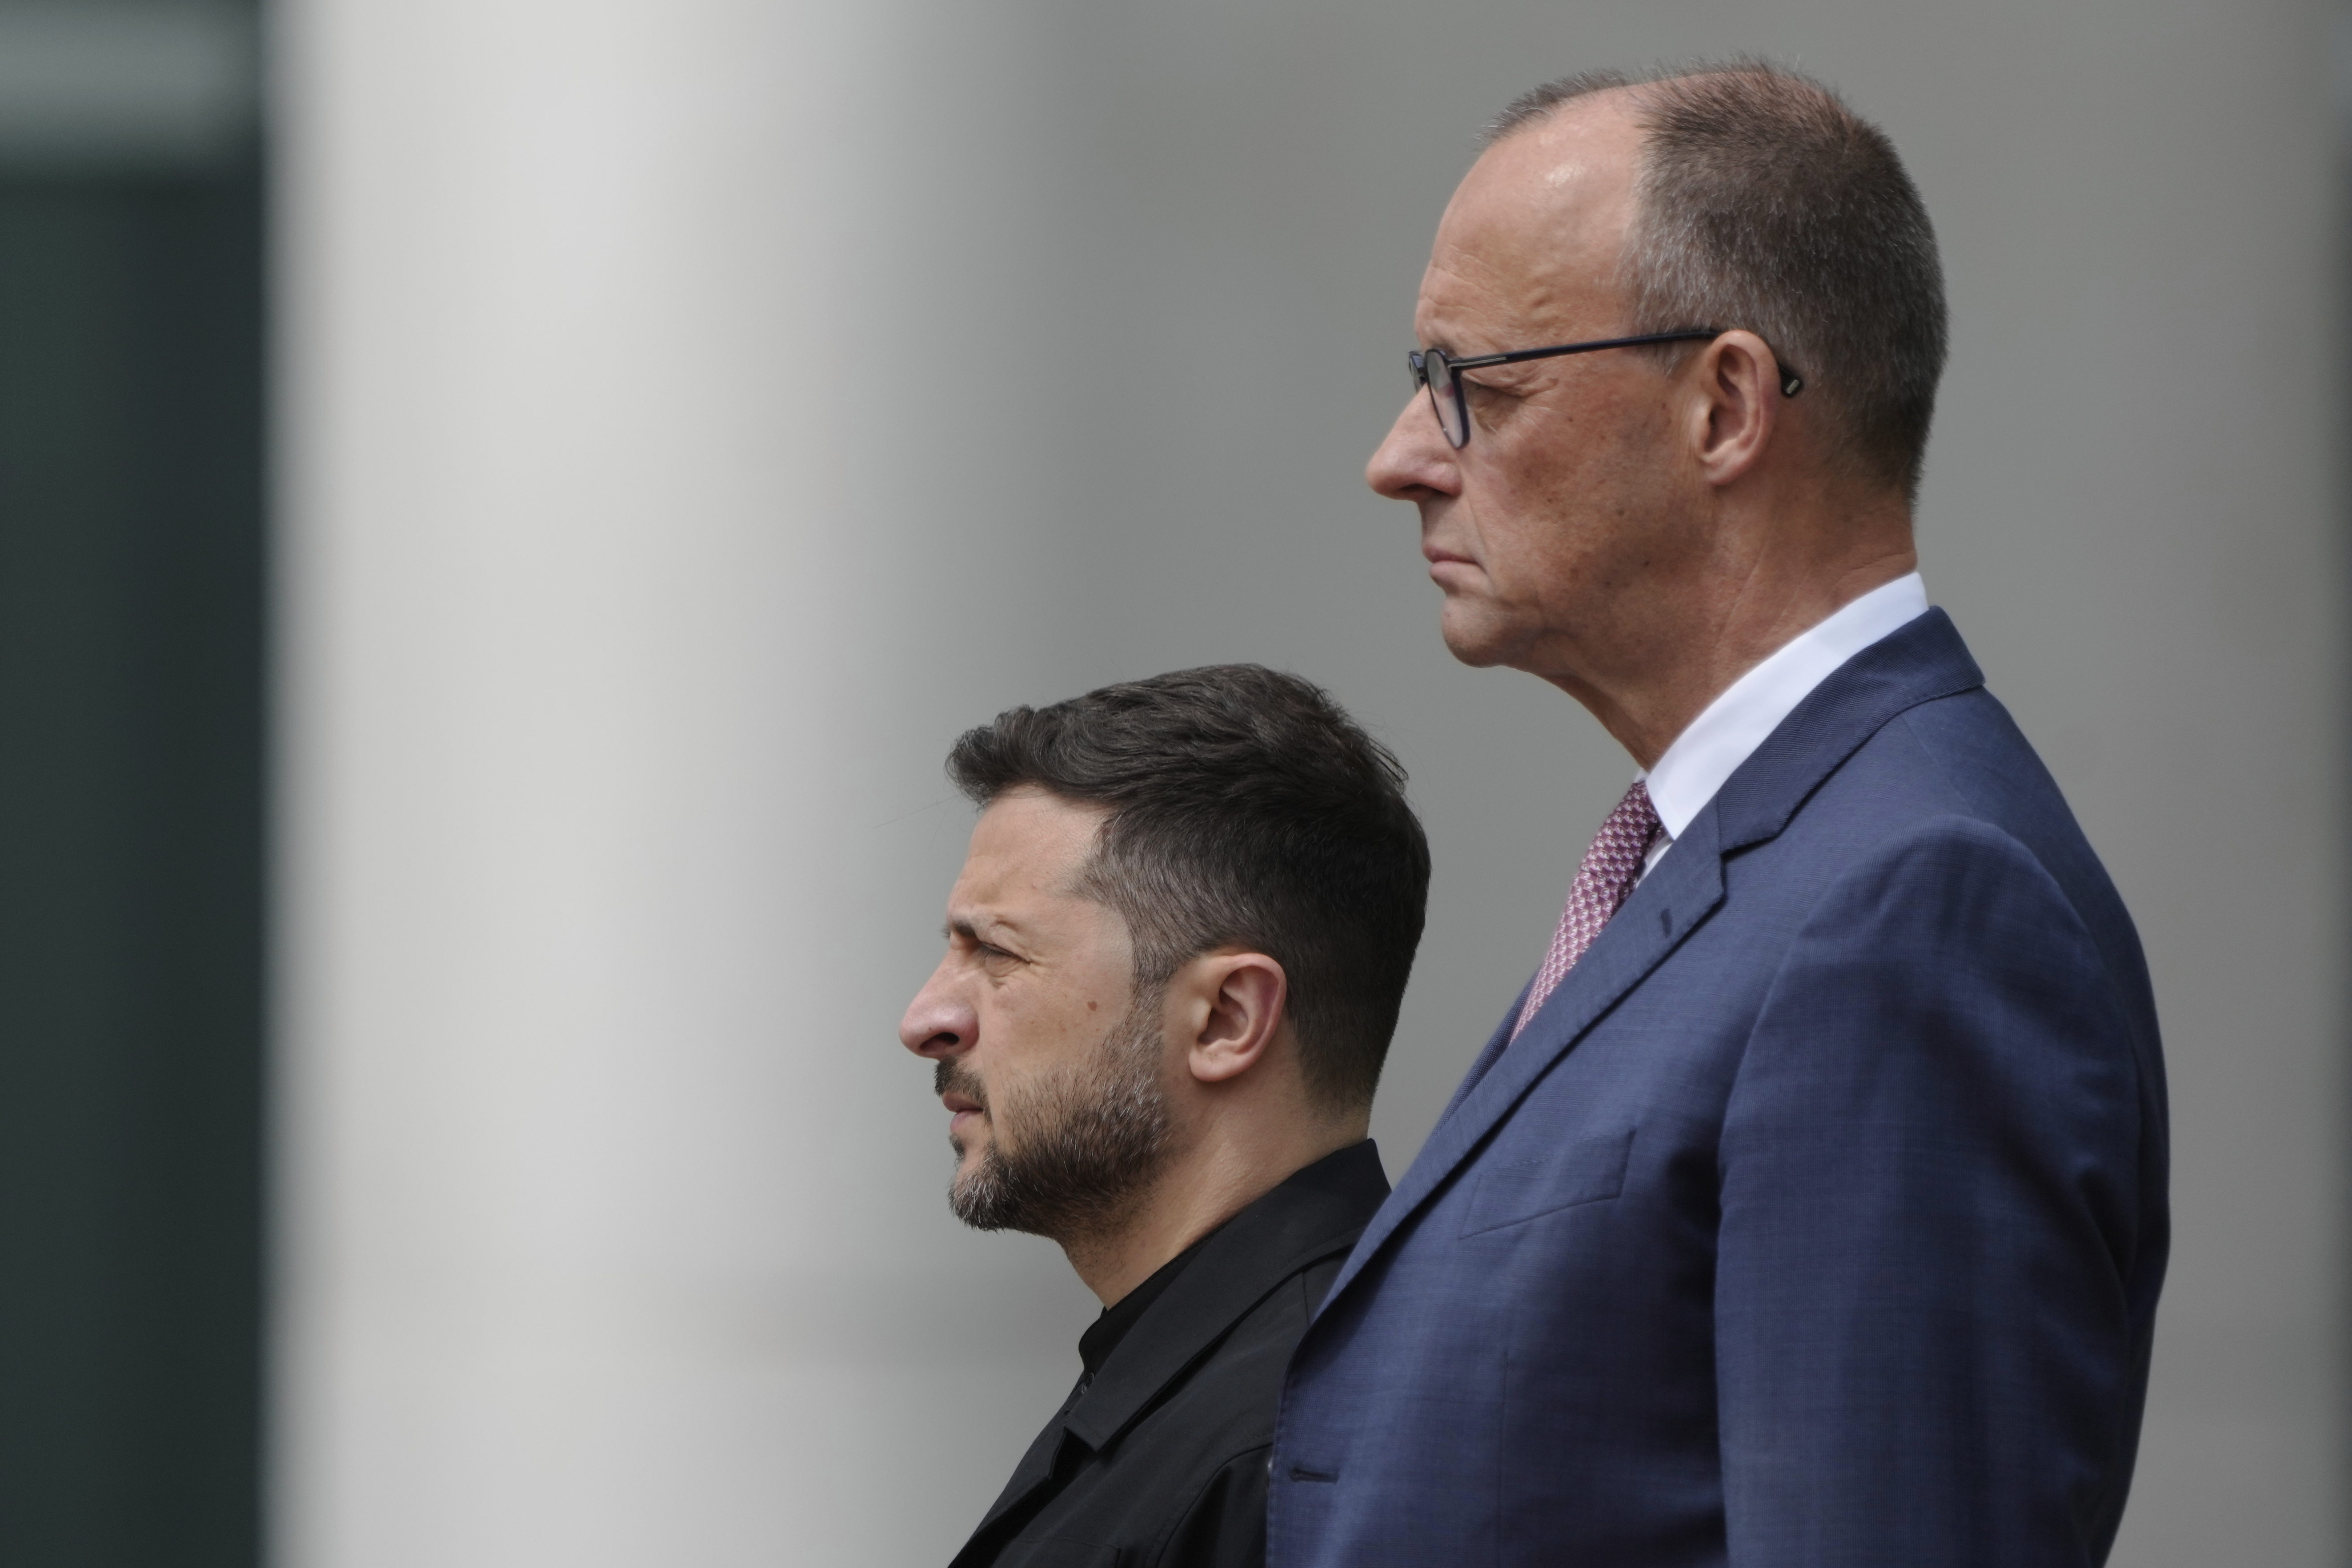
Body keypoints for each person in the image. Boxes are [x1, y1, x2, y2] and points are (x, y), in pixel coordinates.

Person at [1268, 64, 2168, 1568]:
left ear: (1726, 404)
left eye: (1472, 385)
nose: (1400, 457)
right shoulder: (1761, 862)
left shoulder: (1916, 905)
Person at [901, 664, 1430, 1568]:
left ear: (1227, 1018)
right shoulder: (1218, 1404)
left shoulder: (1293, 1456)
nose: (927, 1019)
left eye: (995, 953)